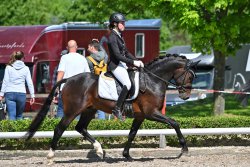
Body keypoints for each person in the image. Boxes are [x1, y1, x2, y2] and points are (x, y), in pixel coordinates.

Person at [108, 13, 144, 120]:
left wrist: (136, 60)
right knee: (127, 84)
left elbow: (126, 52)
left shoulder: (119, 35)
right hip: (115, 65)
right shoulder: (112, 37)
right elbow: (118, 56)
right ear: (115, 24)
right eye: (122, 23)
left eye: (124, 23)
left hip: (122, 64)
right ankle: (117, 108)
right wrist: (132, 62)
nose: (124, 25)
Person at [55, 40, 90, 118]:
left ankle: (59, 129)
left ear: (67, 48)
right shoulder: (83, 58)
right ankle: (74, 129)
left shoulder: (64, 58)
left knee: (61, 110)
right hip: (79, 90)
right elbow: (88, 75)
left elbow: (61, 73)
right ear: (76, 47)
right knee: (77, 111)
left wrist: (57, 87)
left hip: (65, 88)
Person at [0, 51, 35, 120]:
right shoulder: (26, 68)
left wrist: (1, 94)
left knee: (11, 115)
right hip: (21, 93)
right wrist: (32, 95)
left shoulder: (8, 67)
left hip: (9, 93)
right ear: (22, 58)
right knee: (19, 115)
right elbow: (29, 83)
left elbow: (5, 81)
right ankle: (19, 130)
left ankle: (11, 130)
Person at [86, 39, 107, 119]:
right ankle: (101, 122)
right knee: (101, 105)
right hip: (104, 82)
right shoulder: (104, 55)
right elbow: (101, 50)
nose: (87, 48)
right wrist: (98, 43)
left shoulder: (88, 59)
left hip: (93, 83)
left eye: (88, 47)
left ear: (92, 47)